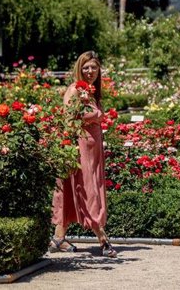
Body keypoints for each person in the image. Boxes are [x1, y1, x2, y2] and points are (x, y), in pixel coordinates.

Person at [50, 51, 118, 258]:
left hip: (93, 149)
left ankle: (58, 237)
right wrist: (93, 117)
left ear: (99, 70)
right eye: (86, 68)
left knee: (75, 191)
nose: (90, 71)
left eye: (94, 68)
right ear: (80, 69)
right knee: (88, 191)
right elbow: (68, 120)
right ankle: (103, 239)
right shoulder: (74, 90)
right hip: (80, 149)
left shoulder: (93, 91)